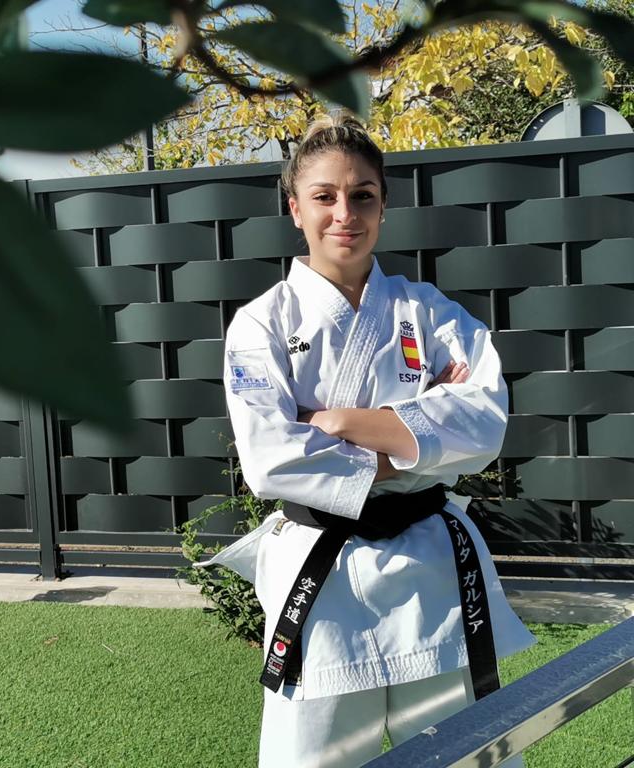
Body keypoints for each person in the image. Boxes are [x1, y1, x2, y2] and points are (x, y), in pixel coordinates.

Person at [196, 113, 536, 768]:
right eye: (324, 196)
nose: (344, 213)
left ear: (383, 204)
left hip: (427, 576)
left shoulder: (427, 312)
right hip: (322, 581)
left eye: (362, 195)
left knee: (463, 756)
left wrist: (342, 422)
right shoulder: (261, 325)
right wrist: (416, 428)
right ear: (295, 208)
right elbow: (273, 460)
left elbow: (485, 422)